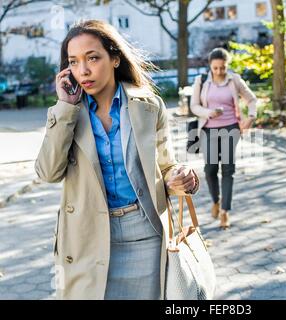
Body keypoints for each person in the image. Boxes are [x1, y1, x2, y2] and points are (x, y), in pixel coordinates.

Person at [35, 20, 199, 300]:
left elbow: (166, 166)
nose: (83, 70)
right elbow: (48, 173)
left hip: (144, 234)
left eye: (93, 58)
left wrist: (180, 177)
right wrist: (65, 108)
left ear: (114, 58)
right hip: (87, 236)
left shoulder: (148, 106)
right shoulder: (68, 113)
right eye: (73, 62)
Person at [190, 48, 257, 229]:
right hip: (208, 129)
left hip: (231, 128)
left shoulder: (234, 80)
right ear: (210, 66)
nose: (219, 71)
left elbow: (252, 99)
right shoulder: (201, 81)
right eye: (216, 68)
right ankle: (215, 201)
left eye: (222, 68)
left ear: (227, 65)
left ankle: (225, 211)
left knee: (228, 169)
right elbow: (194, 106)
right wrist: (209, 112)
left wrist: (251, 117)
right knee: (210, 169)